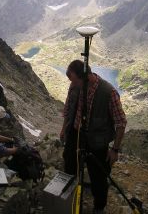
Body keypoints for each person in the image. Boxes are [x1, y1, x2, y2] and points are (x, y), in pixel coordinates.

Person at [61, 60, 127, 214]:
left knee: (98, 175)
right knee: (69, 163)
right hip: (75, 135)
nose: (72, 85)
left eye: (74, 81)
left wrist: (115, 150)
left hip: (97, 142)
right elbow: (68, 107)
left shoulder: (108, 92)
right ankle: (70, 198)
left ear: (85, 77)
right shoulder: (75, 86)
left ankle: (98, 207)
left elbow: (121, 123)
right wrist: (64, 128)